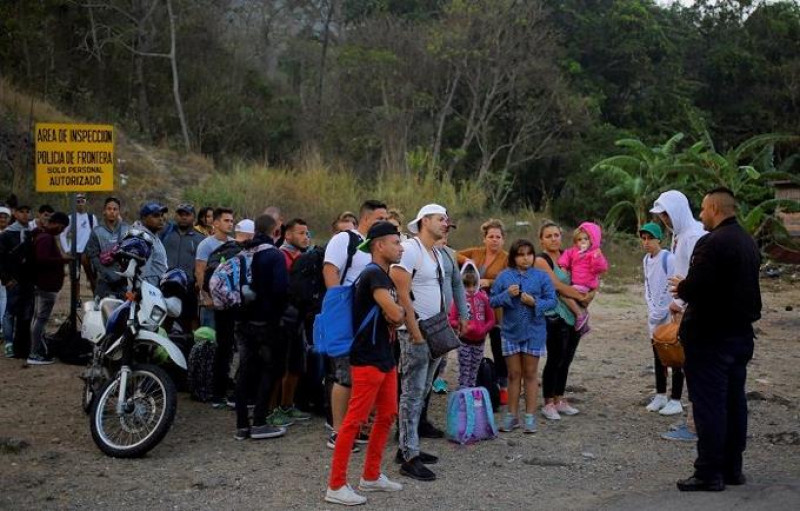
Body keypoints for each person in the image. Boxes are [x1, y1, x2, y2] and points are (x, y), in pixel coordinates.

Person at [669, 188, 761, 492]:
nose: (700, 215)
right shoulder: (747, 241)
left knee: (710, 404)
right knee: (734, 401)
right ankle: (732, 467)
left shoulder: (713, 243)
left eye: (704, 209)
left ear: (714, 208)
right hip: (739, 334)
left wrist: (682, 286)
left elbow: (698, 287)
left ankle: (709, 471)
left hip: (711, 337)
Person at [325, 221, 406, 506]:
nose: (401, 247)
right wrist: (399, 312)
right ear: (379, 245)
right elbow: (396, 314)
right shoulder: (373, 275)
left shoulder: (381, 275)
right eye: (396, 242)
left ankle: (370, 476)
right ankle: (335, 485)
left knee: (386, 415)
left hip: (385, 356)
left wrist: (398, 313)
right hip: (368, 358)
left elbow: (396, 314)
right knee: (354, 421)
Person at [391, 203, 449, 481]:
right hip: (416, 332)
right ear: (424, 221)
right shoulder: (411, 249)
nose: (445, 223)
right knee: (412, 395)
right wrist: (413, 331)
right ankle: (409, 456)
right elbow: (401, 290)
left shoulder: (434, 251)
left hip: (433, 331)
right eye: (440, 219)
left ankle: (408, 447)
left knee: (422, 392)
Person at [323, 200, 388, 450]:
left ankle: (358, 425)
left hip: (370, 318)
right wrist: (337, 306)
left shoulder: (376, 245)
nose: (384, 221)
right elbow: (330, 270)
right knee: (344, 373)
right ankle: (338, 431)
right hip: (346, 313)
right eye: (380, 217)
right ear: (366, 219)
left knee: (364, 372)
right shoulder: (345, 240)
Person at [650, 190, 707, 442]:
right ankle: (693, 421)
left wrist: (679, 302)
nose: (664, 220)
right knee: (690, 365)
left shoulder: (693, 236)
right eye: (662, 216)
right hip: (682, 305)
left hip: (691, 307)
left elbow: (695, 276)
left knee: (695, 367)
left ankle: (696, 425)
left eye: (666, 214)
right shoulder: (681, 236)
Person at [490, 239, 557, 434]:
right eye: (520, 254)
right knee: (513, 375)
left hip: (534, 332)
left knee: (530, 374)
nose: (525, 258)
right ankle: (512, 417)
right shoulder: (503, 277)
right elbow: (492, 300)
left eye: (529, 253)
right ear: (513, 257)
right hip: (510, 332)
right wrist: (507, 295)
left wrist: (534, 302)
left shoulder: (542, 277)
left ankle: (529, 417)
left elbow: (552, 301)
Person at [233, 214, 290, 441]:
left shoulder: (244, 252)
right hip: (267, 323)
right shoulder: (274, 255)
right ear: (275, 230)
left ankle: (241, 425)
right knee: (270, 369)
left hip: (243, 320)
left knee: (245, 371)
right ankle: (259, 422)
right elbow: (280, 289)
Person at [536, 221, 593, 420]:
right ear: (541, 240)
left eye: (557, 235)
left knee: (566, 359)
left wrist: (590, 293)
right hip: (555, 315)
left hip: (575, 314)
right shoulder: (541, 260)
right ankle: (548, 402)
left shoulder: (571, 255)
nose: (554, 239)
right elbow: (557, 285)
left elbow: (587, 276)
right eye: (549, 236)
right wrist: (580, 297)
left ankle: (559, 398)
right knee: (555, 358)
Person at [457, 219, 510, 404]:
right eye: (491, 236)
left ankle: (503, 386)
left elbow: (513, 279)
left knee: (499, 347)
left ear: (503, 239)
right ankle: (470, 382)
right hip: (472, 308)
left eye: (498, 237)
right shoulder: (476, 252)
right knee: (471, 346)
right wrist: (467, 260)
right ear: (484, 238)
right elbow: (453, 254)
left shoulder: (507, 258)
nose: (494, 240)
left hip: (496, 309)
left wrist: (491, 282)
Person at [268, 218, 313, 426]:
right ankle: (270, 410)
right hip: (281, 319)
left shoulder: (305, 257)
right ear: (288, 235)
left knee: (296, 365)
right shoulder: (279, 256)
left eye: (307, 233)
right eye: (301, 233)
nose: (306, 237)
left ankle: (287, 405)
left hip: (299, 319)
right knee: (277, 366)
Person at [640, 222, 684, 416]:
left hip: (669, 313)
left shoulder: (668, 258)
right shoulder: (645, 260)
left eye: (650, 238)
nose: (647, 242)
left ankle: (675, 399)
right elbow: (648, 285)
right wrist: (652, 308)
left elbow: (672, 285)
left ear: (659, 239)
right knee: (657, 354)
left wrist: (664, 307)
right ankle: (660, 395)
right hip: (653, 314)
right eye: (643, 238)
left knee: (674, 354)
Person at [27, 212, 71, 365]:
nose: (61, 230)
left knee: (38, 319)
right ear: (57, 223)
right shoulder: (45, 238)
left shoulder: (45, 236)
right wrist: (62, 260)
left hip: (45, 285)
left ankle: (37, 350)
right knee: (40, 319)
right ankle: (35, 353)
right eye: (62, 227)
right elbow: (42, 259)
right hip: (45, 286)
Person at [161, 203, 205, 332]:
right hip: (166, 286)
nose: (184, 217)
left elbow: (202, 265)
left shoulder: (200, 239)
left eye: (187, 214)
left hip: (189, 288)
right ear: (176, 216)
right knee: (164, 320)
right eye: (181, 214)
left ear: (193, 217)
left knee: (192, 320)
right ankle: (160, 348)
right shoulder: (165, 233)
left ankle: (193, 349)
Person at [557, 222, 608, 333]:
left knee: (564, 294)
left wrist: (596, 257)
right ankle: (583, 325)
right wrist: (563, 267)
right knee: (566, 295)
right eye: (579, 240)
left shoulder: (593, 253)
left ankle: (580, 315)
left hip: (586, 285)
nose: (583, 241)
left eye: (586, 239)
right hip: (576, 283)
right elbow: (565, 257)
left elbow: (601, 268)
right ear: (576, 241)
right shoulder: (573, 251)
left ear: (592, 240)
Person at [450, 269, 495, 388]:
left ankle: (472, 399)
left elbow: (491, 319)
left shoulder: (483, 298)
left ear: (478, 283)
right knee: (465, 371)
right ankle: (464, 397)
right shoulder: (458, 300)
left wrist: (484, 329)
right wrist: (465, 326)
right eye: (467, 285)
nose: (470, 289)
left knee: (474, 371)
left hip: (480, 342)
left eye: (473, 285)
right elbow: (451, 320)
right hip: (464, 342)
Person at [0, 204, 34, 358]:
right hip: (13, 279)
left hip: (27, 279)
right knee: (10, 311)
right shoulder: (7, 234)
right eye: (22, 212)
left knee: (25, 312)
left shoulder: (30, 232)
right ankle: (8, 342)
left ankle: (21, 343)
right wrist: (6, 278)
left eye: (28, 212)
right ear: (15, 213)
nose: (25, 215)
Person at [195, 207, 235, 330]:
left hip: (229, 302)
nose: (230, 224)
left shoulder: (234, 244)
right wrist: (205, 297)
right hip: (211, 302)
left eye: (232, 221)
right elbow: (199, 271)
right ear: (216, 223)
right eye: (226, 221)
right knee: (209, 338)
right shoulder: (206, 245)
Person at [85, 197, 129, 300]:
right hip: (104, 281)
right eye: (109, 209)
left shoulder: (127, 229)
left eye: (115, 209)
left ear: (119, 212)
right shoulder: (97, 231)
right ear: (104, 211)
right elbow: (92, 255)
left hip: (124, 281)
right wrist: (105, 272)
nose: (112, 212)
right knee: (101, 311)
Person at [59, 193, 99, 292]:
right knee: (75, 279)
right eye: (78, 201)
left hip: (88, 253)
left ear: (86, 203)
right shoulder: (70, 218)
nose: (80, 204)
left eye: (82, 201)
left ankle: (96, 300)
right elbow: (62, 234)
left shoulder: (91, 218)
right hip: (75, 252)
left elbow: (96, 235)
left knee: (92, 278)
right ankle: (77, 302)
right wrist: (67, 249)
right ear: (74, 203)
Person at [134, 203, 168, 286]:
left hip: (155, 290)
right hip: (147, 293)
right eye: (156, 216)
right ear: (144, 218)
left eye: (161, 215)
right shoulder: (142, 238)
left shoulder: (152, 235)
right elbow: (142, 274)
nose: (161, 219)